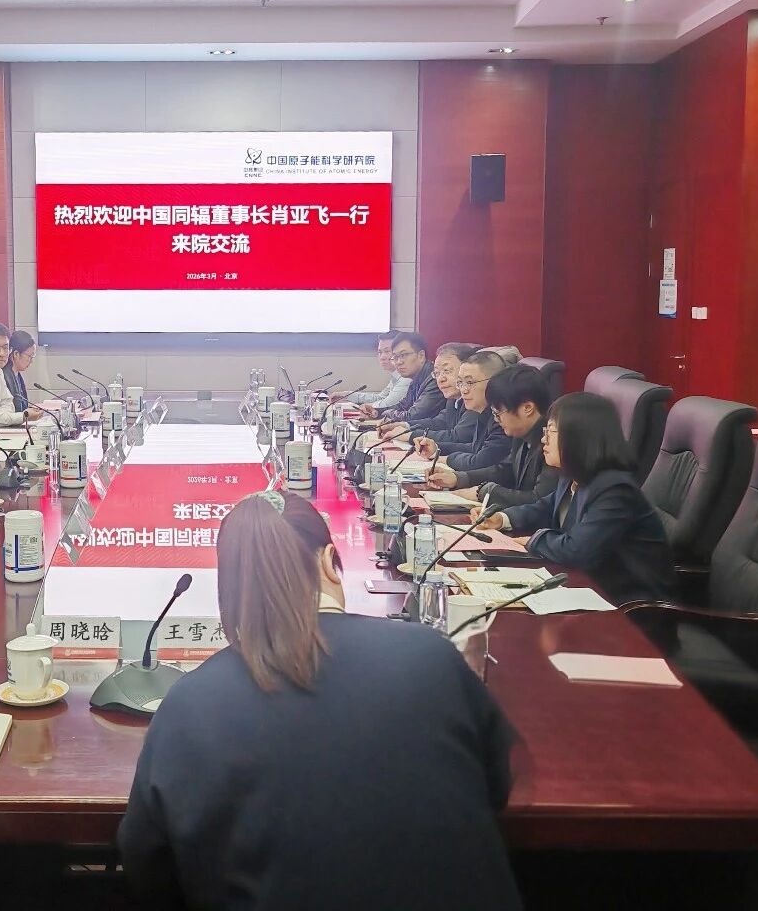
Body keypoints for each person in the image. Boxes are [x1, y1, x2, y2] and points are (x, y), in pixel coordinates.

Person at [119, 491, 519, 911]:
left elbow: (146, 863)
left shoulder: (190, 703)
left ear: (229, 589)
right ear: (330, 561)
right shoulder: (429, 655)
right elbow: (495, 784)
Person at [477, 392, 674, 604]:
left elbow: (578, 550)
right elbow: (546, 506)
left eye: (550, 431)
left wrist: (534, 540)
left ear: (577, 437)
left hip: (629, 606)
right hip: (586, 587)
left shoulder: (615, 489)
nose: (543, 439)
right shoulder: (574, 475)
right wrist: (502, 518)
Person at [428, 364, 558, 511]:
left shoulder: (552, 442)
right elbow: (506, 470)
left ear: (527, 408)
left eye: (498, 413)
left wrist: (485, 492)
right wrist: (458, 478)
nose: (496, 419)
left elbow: (539, 500)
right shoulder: (522, 431)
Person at [412, 350, 510, 473]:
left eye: (469, 382)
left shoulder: (504, 417)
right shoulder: (484, 412)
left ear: (494, 383)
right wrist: (436, 448)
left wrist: (445, 459)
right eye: (460, 382)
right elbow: (475, 448)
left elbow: (480, 461)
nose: (464, 390)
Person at [382, 342, 477, 443]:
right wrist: (405, 425)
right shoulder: (453, 399)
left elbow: (458, 437)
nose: (441, 379)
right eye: (437, 373)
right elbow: (440, 422)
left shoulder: (476, 399)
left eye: (447, 370)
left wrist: (410, 435)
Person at [374, 331, 444, 425]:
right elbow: (403, 406)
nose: (399, 362)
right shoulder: (415, 377)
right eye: (395, 357)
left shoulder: (434, 379)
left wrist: (386, 413)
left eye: (403, 355)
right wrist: (377, 411)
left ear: (421, 356)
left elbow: (412, 416)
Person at [334, 331, 410, 412]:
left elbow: (389, 404)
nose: (382, 357)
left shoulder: (406, 378)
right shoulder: (396, 376)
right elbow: (380, 398)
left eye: (387, 351)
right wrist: (347, 395)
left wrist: (367, 407)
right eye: (380, 352)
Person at [2, 330, 36, 411]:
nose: (31, 361)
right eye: (29, 356)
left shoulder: (16, 374)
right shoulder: (3, 376)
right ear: (16, 354)